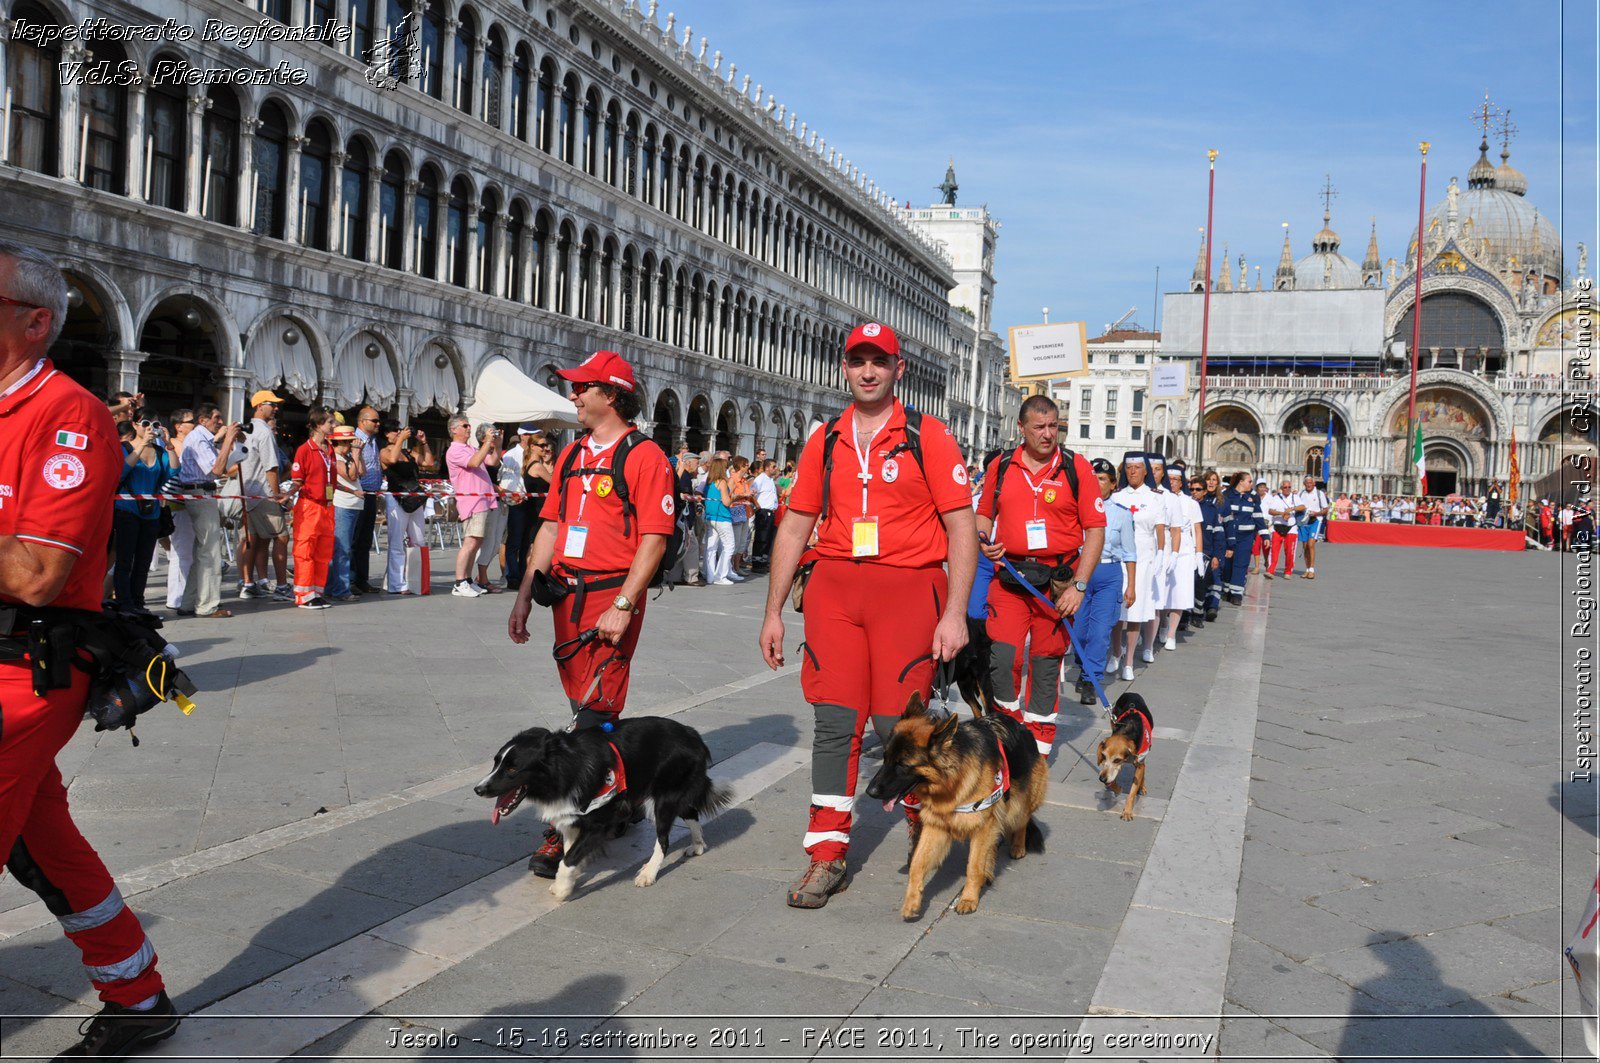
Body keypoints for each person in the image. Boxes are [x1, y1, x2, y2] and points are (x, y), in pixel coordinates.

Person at [0, 239, 179, 1057]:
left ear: (36, 323)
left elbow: (37, 573)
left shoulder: (67, 415)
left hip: (23, 669)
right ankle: (137, 992)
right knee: (45, 844)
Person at [758, 321, 976, 910]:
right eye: (858, 361)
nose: (868, 371)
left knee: (894, 728)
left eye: (880, 361)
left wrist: (954, 613)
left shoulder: (928, 436)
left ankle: (919, 821)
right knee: (834, 724)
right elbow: (797, 523)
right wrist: (773, 610)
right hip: (834, 593)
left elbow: (962, 528)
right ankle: (826, 856)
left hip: (908, 593)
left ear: (898, 368)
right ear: (846, 367)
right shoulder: (825, 438)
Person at [508, 350, 675, 878]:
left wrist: (625, 604)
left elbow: (655, 537)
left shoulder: (645, 456)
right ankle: (617, 798)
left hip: (610, 594)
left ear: (612, 394)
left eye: (583, 388)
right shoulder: (573, 454)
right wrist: (523, 593)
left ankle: (571, 826)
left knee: (594, 711)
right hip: (564, 596)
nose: (574, 397)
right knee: (585, 703)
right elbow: (551, 527)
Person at [975, 395, 1104, 754]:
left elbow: (1095, 530)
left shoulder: (1077, 468)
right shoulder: (1001, 466)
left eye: (1054, 427)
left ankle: (1039, 745)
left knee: (1046, 662)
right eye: (1040, 427)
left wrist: (1079, 586)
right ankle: (1007, 729)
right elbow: (983, 514)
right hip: (1011, 575)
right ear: (1022, 428)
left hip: (1057, 581)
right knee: (1003, 659)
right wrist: (983, 539)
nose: (1048, 435)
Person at [175, 405, 242, 619]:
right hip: (200, 494)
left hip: (202, 493)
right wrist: (228, 440)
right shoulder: (199, 438)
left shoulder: (202, 438)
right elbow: (215, 469)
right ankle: (207, 606)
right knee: (211, 553)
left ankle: (189, 602)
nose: (221, 422)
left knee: (202, 551)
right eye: (217, 418)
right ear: (203, 420)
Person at [1078, 458, 1132, 706]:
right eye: (1092, 478)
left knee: (1099, 632)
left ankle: (1091, 680)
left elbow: (1130, 553)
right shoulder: (1074, 508)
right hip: (1080, 572)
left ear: (1112, 484)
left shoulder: (1121, 515)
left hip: (1109, 574)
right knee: (1078, 630)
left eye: (1102, 479)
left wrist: (1132, 585)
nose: (1096, 483)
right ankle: (1083, 662)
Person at [1109, 452, 1165, 679]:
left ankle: (1129, 661)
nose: (1132, 471)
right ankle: (1115, 652)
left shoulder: (1155, 498)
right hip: (1119, 558)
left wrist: (1162, 555)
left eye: (1137, 467)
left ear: (1145, 471)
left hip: (1142, 560)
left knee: (1135, 612)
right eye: (1129, 467)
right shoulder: (1116, 497)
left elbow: (1160, 531)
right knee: (1117, 611)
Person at [112, 415, 174, 611]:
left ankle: (138, 602)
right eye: (145, 424)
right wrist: (141, 446)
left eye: (154, 424)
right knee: (124, 560)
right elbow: (120, 472)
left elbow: (173, 471)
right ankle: (124, 602)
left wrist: (168, 444)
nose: (149, 428)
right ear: (134, 425)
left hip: (151, 513)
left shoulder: (158, 450)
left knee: (143, 561)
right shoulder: (125, 447)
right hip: (126, 511)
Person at [238, 390, 292, 602]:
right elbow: (271, 467)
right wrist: (277, 494)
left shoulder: (246, 430)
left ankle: (248, 584)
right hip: (263, 493)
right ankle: (281, 586)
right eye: (272, 404)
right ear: (260, 406)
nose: (276, 408)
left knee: (252, 540)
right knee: (281, 536)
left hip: (246, 493)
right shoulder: (264, 432)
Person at [445, 415, 500, 596]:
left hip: (483, 500)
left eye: (469, 425)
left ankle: (467, 579)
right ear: (454, 429)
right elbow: (474, 463)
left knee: (477, 542)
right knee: (470, 542)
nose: (469, 428)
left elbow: (491, 461)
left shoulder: (469, 448)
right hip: (472, 501)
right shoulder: (455, 450)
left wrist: (496, 444)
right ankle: (460, 582)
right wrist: (487, 442)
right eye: (465, 425)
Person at [290, 407, 338, 609]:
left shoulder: (329, 448)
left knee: (323, 551)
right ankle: (303, 594)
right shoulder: (304, 450)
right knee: (305, 549)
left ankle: (317, 591)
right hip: (309, 505)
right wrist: (286, 493)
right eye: (330, 422)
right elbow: (297, 480)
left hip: (327, 506)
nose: (334, 426)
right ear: (319, 425)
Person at [380, 426, 437, 593]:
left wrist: (423, 442)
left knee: (419, 540)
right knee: (396, 542)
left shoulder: (408, 452)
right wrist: (400, 440)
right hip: (396, 498)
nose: (399, 432)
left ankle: (416, 580)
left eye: (401, 430)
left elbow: (429, 463)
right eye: (395, 430)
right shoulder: (384, 451)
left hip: (414, 499)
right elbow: (391, 460)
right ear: (387, 433)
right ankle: (396, 584)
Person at [501, 425, 552, 591]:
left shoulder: (529, 460)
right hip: (521, 503)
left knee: (524, 544)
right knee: (517, 543)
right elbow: (506, 479)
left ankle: (522, 576)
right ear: (525, 437)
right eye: (541, 444)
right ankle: (514, 576)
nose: (545, 448)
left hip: (528, 504)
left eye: (546, 445)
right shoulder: (515, 456)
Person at [1159, 461, 1201, 648]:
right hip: (1164, 546)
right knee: (1162, 592)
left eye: (1176, 479)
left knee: (1180, 593)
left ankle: (1171, 634)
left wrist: (1198, 555)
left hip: (1184, 549)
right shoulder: (1159, 497)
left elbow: (1197, 530)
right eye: (1170, 479)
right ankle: (1162, 623)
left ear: (1182, 482)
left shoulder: (1190, 503)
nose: (1173, 482)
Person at [162, 409, 198, 611]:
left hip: (188, 503)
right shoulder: (175, 445)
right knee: (180, 552)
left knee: (186, 553)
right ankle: (176, 598)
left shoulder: (187, 444)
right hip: (177, 504)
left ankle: (182, 594)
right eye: (191, 421)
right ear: (179, 426)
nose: (194, 424)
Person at [326, 424, 366, 601]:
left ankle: (332, 586)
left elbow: (362, 472)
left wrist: (358, 455)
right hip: (343, 505)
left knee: (343, 547)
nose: (352, 444)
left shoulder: (348, 456)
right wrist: (356, 454)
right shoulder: (335, 457)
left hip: (353, 506)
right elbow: (351, 476)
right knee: (342, 549)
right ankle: (340, 589)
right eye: (350, 442)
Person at [350, 406, 384, 594]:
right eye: (374, 421)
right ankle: (351, 579)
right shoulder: (354, 440)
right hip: (358, 493)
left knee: (365, 540)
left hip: (371, 494)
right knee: (354, 538)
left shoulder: (372, 441)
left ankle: (362, 579)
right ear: (362, 421)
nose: (378, 424)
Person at [473, 423, 509, 592]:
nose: (494, 437)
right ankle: (482, 577)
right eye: (491, 435)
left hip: (498, 500)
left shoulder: (491, 454)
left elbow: (494, 461)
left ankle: (482, 576)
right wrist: (496, 488)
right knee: (489, 542)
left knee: (495, 543)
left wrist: (499, 443)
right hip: (488, 501)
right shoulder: (479, 454)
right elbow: (480, 476)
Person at [1219, 471, 1259, 605]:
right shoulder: (1226, 496)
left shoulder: (1253, 498)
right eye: (1249, 481)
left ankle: (1237, 593)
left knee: (1241, 564)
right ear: (1241, 482)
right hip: (1230, 535)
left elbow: (1258, 516)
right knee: (1227, 563)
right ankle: (1226, 589)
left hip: (1246, 537)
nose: (1251, 484)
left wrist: (1265, 535)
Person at [668, 451, 704, 586]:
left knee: (680, 545)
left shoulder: (685, 476)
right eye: (696, 462)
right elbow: (681, 494)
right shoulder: (684, 477)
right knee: (691, 546)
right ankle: (692, 576)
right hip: (684, 517)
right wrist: (695, 498)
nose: (698, 465)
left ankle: (675, 576)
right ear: (688, 462)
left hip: (681, 517)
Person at [1194, 475, 1225, 622]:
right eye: (1192, 489)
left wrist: (1217, 556)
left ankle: (1198, 613)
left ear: (1204, 492)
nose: (1194, 492)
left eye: (1198, 489)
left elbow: (1218, 535)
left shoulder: (1211, 510)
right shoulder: (1185, 506)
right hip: (1188, 552)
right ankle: (1184, 617)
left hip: (1206, 552)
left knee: (1201, 584)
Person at [701, 456, 736, 585]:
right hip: (722, 517)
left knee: (711, 547)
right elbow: (726, 502)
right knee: (729, 546)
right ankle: (720, 575)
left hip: (710, 516)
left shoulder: (708, 482)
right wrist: (733, 494)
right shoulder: (722, 482)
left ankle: (709, 574)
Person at [1264, 478, 1300, 580]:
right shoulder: (1276, 498)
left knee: (1290, 552)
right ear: (1281, 488)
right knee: (1274, 551)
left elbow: (1302, 507)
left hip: (1291, 528)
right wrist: (1282, 513)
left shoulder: (1295, 497)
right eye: (1285, 487)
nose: (1287, 489)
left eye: (1289, 487)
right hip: (1278, 527)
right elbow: (1270, 511)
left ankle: (1288, 571)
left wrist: (1292, 509)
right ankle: (1270, 571)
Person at [1298, 475, 1330, 579]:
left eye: (1310, 482)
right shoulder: (1301, 494)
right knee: (1305, 546)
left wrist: (1315, 514)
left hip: (1316, 521)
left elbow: (1325, 509)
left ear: (1314, 483)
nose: (1308, 484)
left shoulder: (1319, 494)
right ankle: (1307, 569)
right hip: (1304, 522)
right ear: (1304, 484)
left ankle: (1312, 569)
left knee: (1311, 544)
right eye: (1306, 483)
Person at [750, 457, 779, 569]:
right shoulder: (761, 478)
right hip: (763, 511)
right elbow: (752, 492)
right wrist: (757, 505)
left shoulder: (770, 480)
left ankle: (763, 561)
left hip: (771, 512)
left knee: (768, 538)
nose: (775, 469)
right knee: (761, 537)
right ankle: (757, 563)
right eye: (773, 466)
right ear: (767, 468)